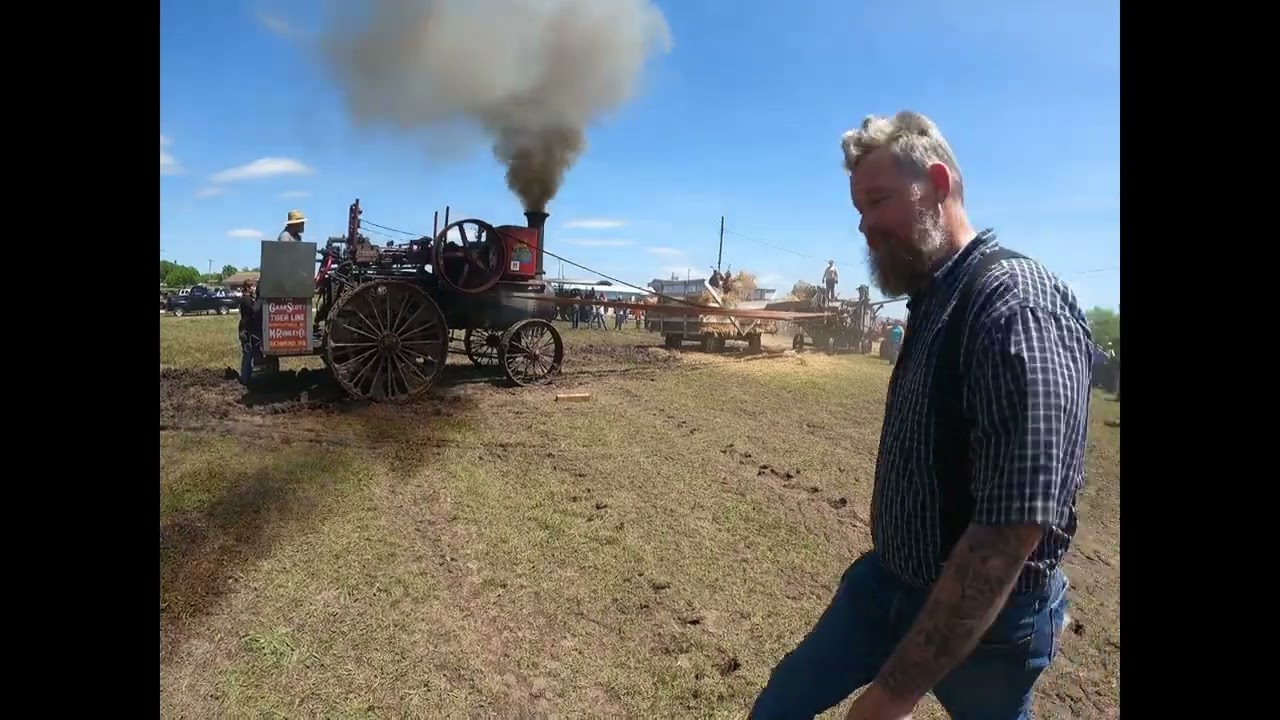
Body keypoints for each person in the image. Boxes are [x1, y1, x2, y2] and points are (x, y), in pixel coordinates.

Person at [750, 111, 1094, 720]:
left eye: (877, 200)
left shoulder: (1014, 304)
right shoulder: (935, 296)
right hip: (887, 584)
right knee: (780, 706)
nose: (864, 226)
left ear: (938, 184)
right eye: (858, 208)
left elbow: (1010, 531)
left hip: (990, 623)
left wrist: (893, 693)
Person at [237, 279, 261, 385]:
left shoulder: (249, 299)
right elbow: (254, 312)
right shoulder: (247, 300)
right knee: (247, 355)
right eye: (253, 286)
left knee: (250, 354)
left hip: (247, 330)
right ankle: (245, 379)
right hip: (246, 331)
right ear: (247, 288)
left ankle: (248, 377)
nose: (254, 288)